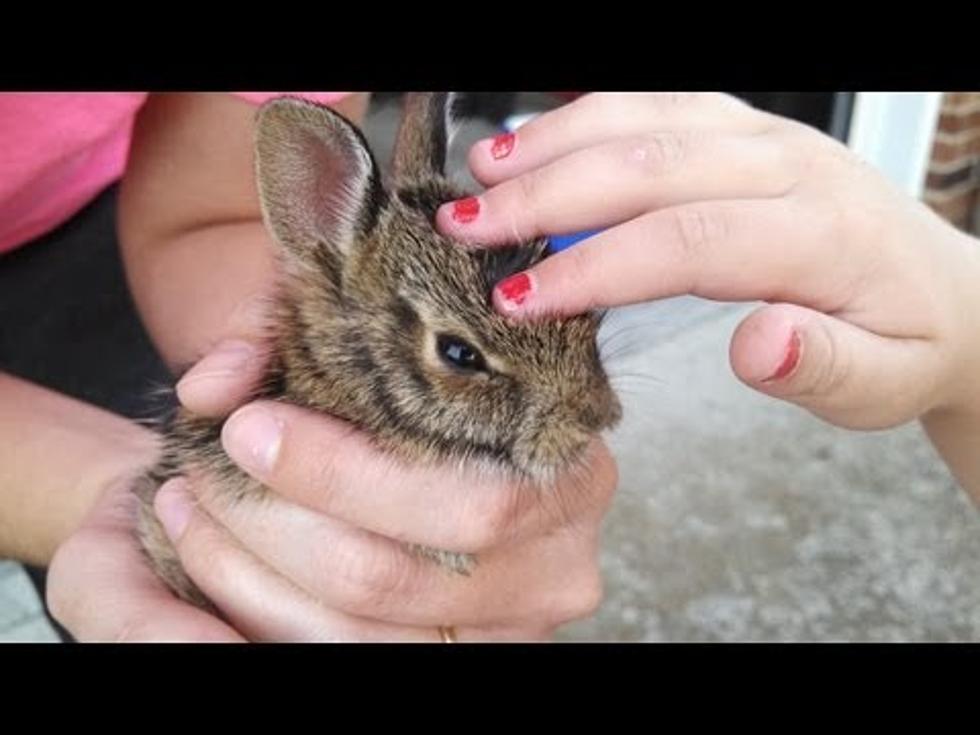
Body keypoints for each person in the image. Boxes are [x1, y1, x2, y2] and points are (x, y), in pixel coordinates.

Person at [12, 92, 980, 642]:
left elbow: (212, 210)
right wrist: (119, 503)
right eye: (464, 357)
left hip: (113, 209)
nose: (596, 416)